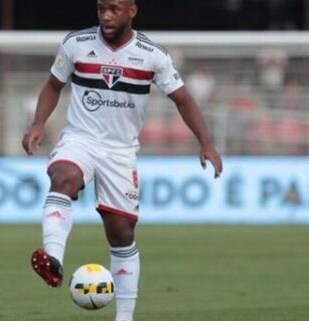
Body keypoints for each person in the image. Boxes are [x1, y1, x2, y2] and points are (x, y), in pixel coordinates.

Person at [21, 1, 223, 321]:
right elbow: (52, 86)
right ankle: (53, 259)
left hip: (120, 152)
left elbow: (183, 99)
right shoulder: (76, 44)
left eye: (114, 9)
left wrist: (206, 143)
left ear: (132, 11)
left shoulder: (152, 55)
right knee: (63, 178)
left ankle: (125, 318)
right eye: (101, 8)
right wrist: (37, 124)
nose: (106, 16)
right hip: (80, 139)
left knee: (121, 233)